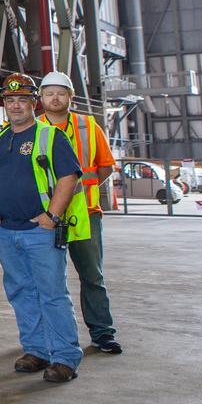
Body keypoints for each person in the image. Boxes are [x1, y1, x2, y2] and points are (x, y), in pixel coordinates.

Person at [0, 73, 90, 383]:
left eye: (22, 100)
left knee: (51, 293)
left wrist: (51, 216)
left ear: (33, 103)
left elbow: (69, 177)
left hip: (40, 231)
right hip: (6, 231)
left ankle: (65, 357)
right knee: (21, 292)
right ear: (4, 105)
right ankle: (37, 349)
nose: (16, 105)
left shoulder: (50, 136)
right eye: (10, 100)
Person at [38, 71, 122, 355]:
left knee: (92, 276)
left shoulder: (88, 126)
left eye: (61, 93)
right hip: (47, 217)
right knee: (49, 281)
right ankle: (51, 337)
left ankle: (102, 333)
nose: (55, 98)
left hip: (86, 213)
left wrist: (75, 192)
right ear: (41, 99)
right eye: (49, 93)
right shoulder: (34, 129)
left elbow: (105, 166)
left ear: (70, 98)